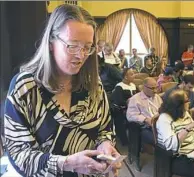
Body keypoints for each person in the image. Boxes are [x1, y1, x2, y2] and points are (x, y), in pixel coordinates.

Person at [4, 5, 121, 177]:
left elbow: (105, 129)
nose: (81, 56)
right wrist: (67, 164)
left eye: (87, 47)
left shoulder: (93, 84)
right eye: (72, 46)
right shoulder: (26, 87)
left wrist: (105, 144)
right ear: (51, 43)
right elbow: (18, 154)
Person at [157, 89, 194, 177]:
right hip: (177, 158)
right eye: (187, 101)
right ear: (178, 105)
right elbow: (171, 145)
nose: (189, 102)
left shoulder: (184, 113)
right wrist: (187, 128)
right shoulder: (164, 119)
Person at [126, 77, 163, 145]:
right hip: (145, 127)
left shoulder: (157, 97)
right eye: (152, 88)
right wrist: (145, 119)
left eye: (156, 87)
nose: (155, 91)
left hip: (160, 125)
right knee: (161, 142)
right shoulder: (135, 99)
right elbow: (130, 116)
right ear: (144, 87)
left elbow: (162, 110)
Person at [111, 68, 137, 145]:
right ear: (125, 77)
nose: (134, 76)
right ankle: (125, 141)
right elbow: (118, 101)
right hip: (122, 110)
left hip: (133, 108)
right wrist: (129, 102)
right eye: (132, 74)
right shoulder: (119, 86)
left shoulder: (133, 85)